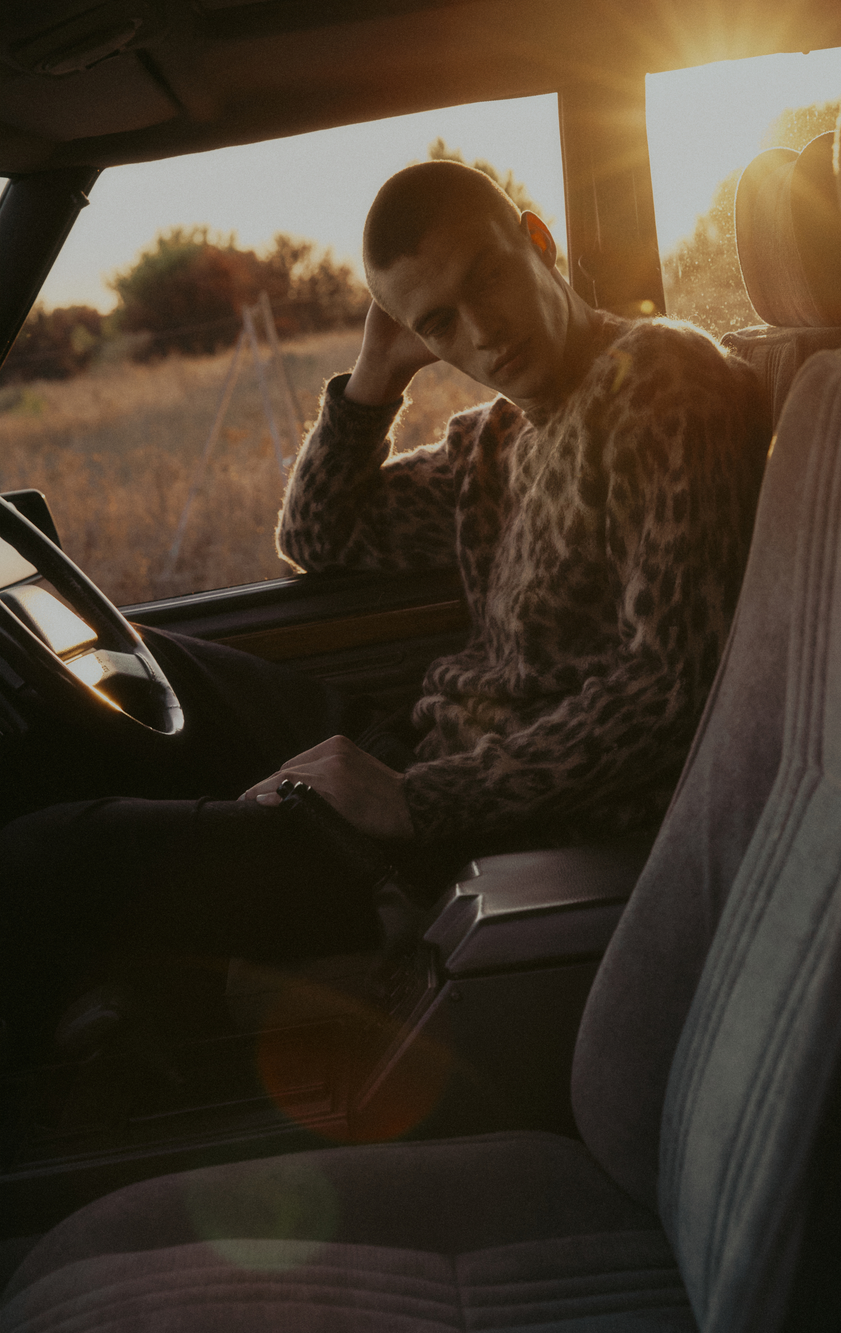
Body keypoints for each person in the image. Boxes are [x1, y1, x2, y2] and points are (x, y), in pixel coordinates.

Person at [0, 161, 768, 1058]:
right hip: (430, 758)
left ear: (539, 241)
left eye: (488, 276)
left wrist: (414, 801)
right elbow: (319, 532)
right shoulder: (500, 437)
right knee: (139, 660)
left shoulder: (661, 377)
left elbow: (670, 691)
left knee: (39, 859)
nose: (481, 330)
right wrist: (375, 375)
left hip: (490, 826)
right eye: (438, 321)